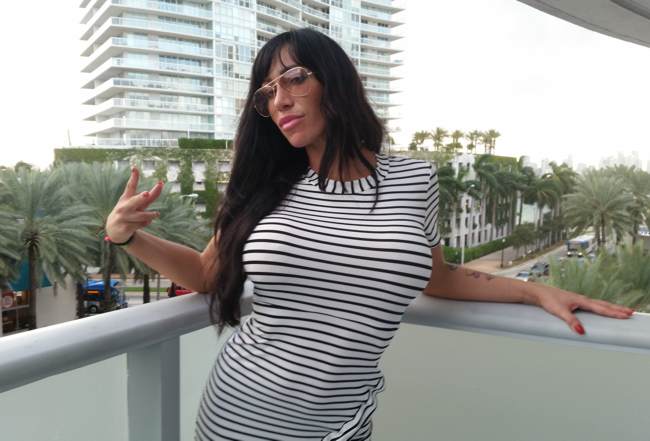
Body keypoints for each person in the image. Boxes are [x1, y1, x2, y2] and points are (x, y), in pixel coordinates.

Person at [105, 28, 634, 441]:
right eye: (267, 93)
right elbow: (206, 274)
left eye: (294, 79)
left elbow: (436, 277)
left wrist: (535, 292)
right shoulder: (266, 186)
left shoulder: (415, 179)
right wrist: (128, 236)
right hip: (242, 413)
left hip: (342, 424)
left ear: (336, 81)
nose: (280, 100)